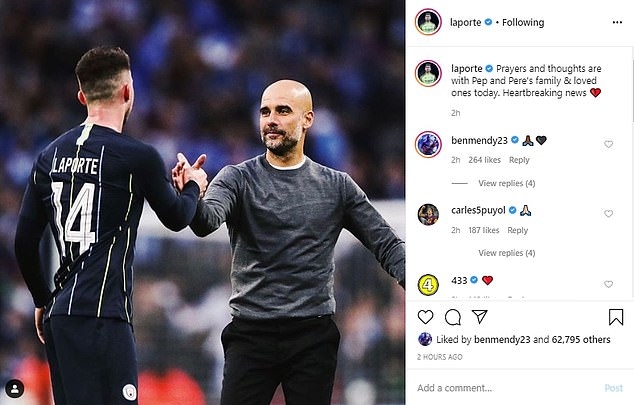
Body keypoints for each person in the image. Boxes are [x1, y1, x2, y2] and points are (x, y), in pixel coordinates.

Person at [172, 79, 405, 405]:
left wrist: (420, 283)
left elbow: (386, 243)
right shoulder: (237, 178)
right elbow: (204, 222)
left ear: (307, 119)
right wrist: (192, 192)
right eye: (265, 112)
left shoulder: (336, 186)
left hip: (312, 336)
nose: (271, 120)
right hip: (251, 333)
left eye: (282, 111)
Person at [13, 46, 208, 405]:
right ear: (128, 91)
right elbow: (178, 218)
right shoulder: (137, 156)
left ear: (82, 96)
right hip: (104, 317)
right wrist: (193, 186)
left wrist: (42, 299)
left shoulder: (48, 156)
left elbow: (24, 243)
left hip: (61, 317)